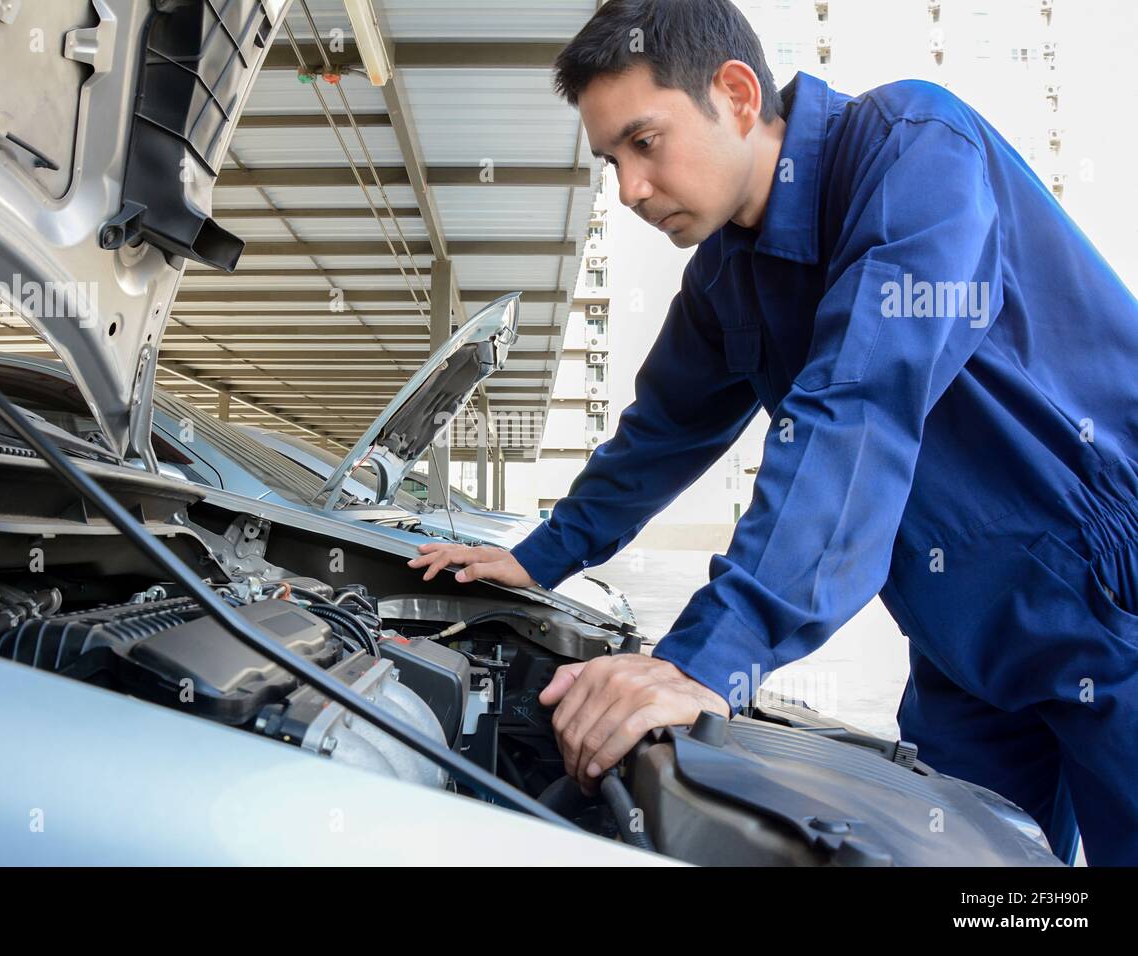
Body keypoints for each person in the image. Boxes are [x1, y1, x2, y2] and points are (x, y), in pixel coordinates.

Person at [408, 0, 1138, 864]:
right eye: (611, 162)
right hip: (958, 639)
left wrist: (707, 660)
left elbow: (859, 404)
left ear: (738, 93)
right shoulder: (726, 277)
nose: (632, 190)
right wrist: (539, 556)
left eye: (646, 143)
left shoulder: (915, 151)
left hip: (1106, 593)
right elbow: (660, 434)